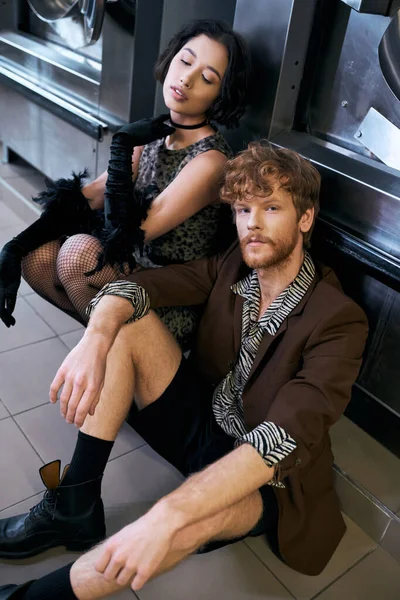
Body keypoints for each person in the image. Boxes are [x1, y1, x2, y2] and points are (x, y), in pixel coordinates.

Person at [0, 142, 368, 600]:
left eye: (271, 207)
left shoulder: (339, 318)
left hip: (267, 475)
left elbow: (288, 432)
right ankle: (75, 502)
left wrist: (170, 512)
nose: (252, 223)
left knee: (192, 520)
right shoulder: (232, 263)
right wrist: (95, 339)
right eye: (242, 209)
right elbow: (139, 287)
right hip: (206, 422)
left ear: (305, 219)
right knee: (127, 319)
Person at [0, 19, 250, 349]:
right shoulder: (155, 134)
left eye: (207, 78)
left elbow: (128, 233)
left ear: (220, 95)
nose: (186, 79)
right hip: (128, 274)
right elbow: (90, 197)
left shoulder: (210, 161)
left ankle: (119, 354)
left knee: (78, 256)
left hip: (168, 293)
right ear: (172, 57)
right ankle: (110, 353)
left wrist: (121, 146)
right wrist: (14, 248)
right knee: (38, 257)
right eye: (185, 61)